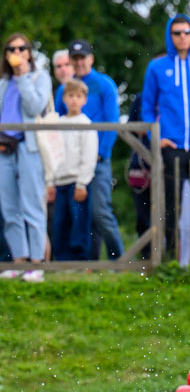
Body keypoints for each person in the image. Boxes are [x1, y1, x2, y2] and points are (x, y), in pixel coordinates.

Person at [140, 13, 190, 265]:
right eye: (177, 33)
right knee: (171, 207)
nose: (183, 37)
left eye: (187, 32)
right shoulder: (157, 67)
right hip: (172, 146)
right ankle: (172, 262)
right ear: (170, 35)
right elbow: (147, 109)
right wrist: (158, 138)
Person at [55, 39, 123, 261]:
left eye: (82, 57)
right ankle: (88, 263)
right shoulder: (64, 90)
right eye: (74, 58)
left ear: (91, 58)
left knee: (100, 213)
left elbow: (112, 121)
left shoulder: (104, 84)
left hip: (98, 160)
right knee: (77, 216)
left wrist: (101, 153)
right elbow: (55, 123)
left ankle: (118, 261)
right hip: (70, 166)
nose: (79, 62)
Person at [0, 33, 52, 281]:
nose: (16, 52)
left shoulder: (40, 78)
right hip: (4, 148)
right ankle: (18, 261)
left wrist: (22, 77)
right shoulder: (2, 82)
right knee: (10, 208)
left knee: (32, 207)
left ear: (29, 52)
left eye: (21, 48)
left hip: (29, 148)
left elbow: (34, 107)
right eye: (11, 49)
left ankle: (36, 264)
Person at [45, 78, 97, 260]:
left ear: (84, 100)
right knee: (59, 223)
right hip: (59, 182)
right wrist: (50, 182)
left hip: (77, 182)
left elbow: (89, 156)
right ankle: (61, 260)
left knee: (79, 223)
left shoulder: (86, 124)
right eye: (70, 95)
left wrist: (82, 183)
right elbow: (51, 153)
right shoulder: (57, 123)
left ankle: (81, 260)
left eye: (78, 96)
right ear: (64, 98)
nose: (74, 100)